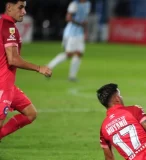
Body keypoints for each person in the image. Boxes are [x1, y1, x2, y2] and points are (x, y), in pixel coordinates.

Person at [0, 0, 52, 141]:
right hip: (2, 85)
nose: (24, 12)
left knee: (30, 113)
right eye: (20, 7)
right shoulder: (7, 26)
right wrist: (38, 68)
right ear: (9, 7)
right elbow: (13, 59)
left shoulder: (5, 25)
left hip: (8, 85)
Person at [47, 0, 91, 82]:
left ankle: (72, 76)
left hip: (80, 33)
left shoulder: (88, 4)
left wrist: (85, 31)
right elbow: (68, 18)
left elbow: (85, 19)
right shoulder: (74, 4)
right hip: (71, 33)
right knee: (68, 54)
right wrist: (80, 24)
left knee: (79, 53)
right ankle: (49, 67)